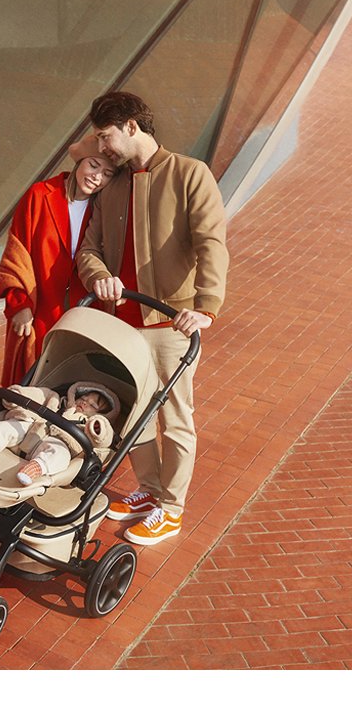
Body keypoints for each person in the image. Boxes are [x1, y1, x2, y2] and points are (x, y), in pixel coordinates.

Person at [74, 91, 229, 546]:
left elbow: (211, 243)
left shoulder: (189, 173)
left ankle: (172, 509)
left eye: (106, 137)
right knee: (132, 414)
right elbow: (89, 249)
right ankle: (150, 490)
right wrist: (98, 275)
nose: (102, 147)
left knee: (175, 419)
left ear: (131, 127)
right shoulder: (113, 184)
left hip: (171, 323)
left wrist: (206, 306)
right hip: (121, 324)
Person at [0, 151, 116, 387]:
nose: (97, 177)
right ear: (80, 160)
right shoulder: (40, 195)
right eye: (93, 165)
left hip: (83, 311)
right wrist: (20, 304)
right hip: (38, 306)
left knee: (70, 383)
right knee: (28, 380)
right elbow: (17, 254)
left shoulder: (105, 210)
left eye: (107, 174)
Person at [0, 382, 120, 486]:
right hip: (31, 428)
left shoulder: (90, 424)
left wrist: (98, 428)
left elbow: (103, 440)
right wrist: (18, 395)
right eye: (84, 397)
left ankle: (35, 469)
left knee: (59, 456)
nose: (85, 402)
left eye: (93, 405)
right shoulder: (57, 400)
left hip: (61, 441)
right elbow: (38, 394)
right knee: (2, 427)